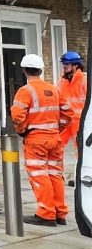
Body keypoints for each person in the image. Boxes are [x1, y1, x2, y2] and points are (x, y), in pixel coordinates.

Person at [10, 54, 75, 226]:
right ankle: (60, 213)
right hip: (54, 138)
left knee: (39, 175)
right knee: (55, 174)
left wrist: (22, 131)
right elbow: (68, 113)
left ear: (24, 70)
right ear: (40, 70)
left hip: (36, 139)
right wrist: (58, 129)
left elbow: (17, 116)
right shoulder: (54, 89)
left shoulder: (25, 91)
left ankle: (46, 214)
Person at [57, 51, 87, 187]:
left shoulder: (85, 81)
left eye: (67, 64)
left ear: (76, 65)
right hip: (65, 120)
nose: (64, 66)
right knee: (57, 146)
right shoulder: (62, 81)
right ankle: (57, 175)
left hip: (80, 121)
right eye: (64, 64)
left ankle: (82, 175)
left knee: (81, 150)